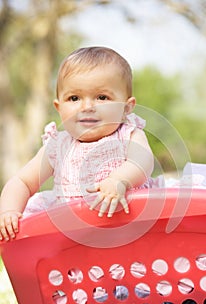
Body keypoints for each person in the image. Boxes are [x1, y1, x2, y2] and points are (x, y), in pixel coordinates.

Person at [0, 46, 154, 241]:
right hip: (73, 243)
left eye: (102, 97)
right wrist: (8, 212)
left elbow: (142, 161)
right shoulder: (57, 146)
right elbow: (22, 181)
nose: (87, 107)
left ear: (126, 108)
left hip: (130, 231)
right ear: (59, 107)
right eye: (74, 98)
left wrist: (119, 180)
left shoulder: (129, 134)